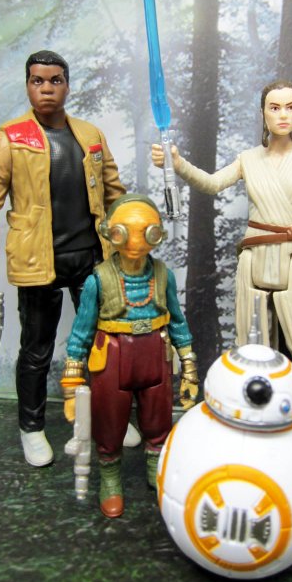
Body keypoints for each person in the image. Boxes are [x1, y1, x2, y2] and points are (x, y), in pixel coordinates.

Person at [152, 80, 292, 477]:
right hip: (254, 261)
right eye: (274, 107)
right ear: (263, 113)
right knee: (253, 350)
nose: (282, 114)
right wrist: (178, 163)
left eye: (289, 106)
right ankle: (259, 428)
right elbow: (211, 183)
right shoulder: (249, 160)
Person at [0, 49, 135, 467]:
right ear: (27, 86)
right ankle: (31, 427)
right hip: (39, 263)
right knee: (36, 349)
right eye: (38, 80)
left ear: (67, 85)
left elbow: (115, 196)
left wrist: (133, 240)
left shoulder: (89, 135)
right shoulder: (10, 139)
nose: (47, 88)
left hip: (92, 259)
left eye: (55, 80)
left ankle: (109, 415)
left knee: (105, 341)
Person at [61, 193, 198, 518]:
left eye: (147, 232)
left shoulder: (163, 275)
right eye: (124, 232)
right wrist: (72, 383)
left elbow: (177, 321)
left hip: (155, 353)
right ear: (111, 233)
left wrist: (188, 364)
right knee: (109, 420)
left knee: (158, 416)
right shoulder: (98, 280)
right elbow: (81, 332)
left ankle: (156, 465)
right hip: (112, 357)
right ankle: (110, 477)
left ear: (157, 233)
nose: (136, 242)